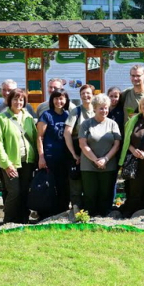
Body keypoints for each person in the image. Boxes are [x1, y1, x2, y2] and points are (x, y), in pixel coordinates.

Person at [0, 88, 37, 224]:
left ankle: (23, 220)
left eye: (21, 99)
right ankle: (9, 221)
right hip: (11, 163)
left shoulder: (28, 117)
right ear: (10, 100)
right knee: (14, 192)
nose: (18, 102)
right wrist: (6, 164)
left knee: (24, 191)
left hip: (27, 161)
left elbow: (34, 139)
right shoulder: (2, 118)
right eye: (15, 99)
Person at [78, 94, 121, 217]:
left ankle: (104, 218)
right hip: (89, 166)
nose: (104, 111)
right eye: (101, 108)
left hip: (109, 165)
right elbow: (83, 144)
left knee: (105, 195)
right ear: (94, 108)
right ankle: (89, 218)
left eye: (106, 108)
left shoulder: (112, 124)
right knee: (90, 194)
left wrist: (105, 159)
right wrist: (96, 160)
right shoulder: (86, 124)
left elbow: (117, 144)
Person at [36, 88, 71, 216]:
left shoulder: (68, 115)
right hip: (50, 156)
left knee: (63, 186)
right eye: (56, 98)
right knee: (49, 186)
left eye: (61, 98)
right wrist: (41, 157)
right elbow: (40, 137)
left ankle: (62, 212)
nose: (59, 101)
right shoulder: (46, 115)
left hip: (64, 157)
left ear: (66, 100)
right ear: (52, 100)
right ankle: (46, 213)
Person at [64, 84, 95, 212]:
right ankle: (76, 209)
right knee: (76, 181)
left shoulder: (98, 109)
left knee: (90, 181)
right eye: (83, 94)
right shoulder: (75, 111)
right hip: (77, 150)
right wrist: (73, 154)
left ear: (93, 95)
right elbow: (67, 132)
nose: (86, 96)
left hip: (94, 150)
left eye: (88, 93)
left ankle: (90, 209)